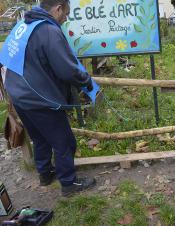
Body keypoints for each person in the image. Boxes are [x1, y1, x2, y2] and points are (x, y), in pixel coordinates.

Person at [0, 0, 97, 196]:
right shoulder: (49, 31)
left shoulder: (24, 24)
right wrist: (87, 83)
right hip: (39, 98)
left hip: (19, 95)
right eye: (66, 14)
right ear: (58, 8)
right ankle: (69, 184)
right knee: (64, 142)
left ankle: (45, 174)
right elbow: (67, 70)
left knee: (40, 138)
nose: (66, 18)